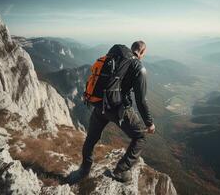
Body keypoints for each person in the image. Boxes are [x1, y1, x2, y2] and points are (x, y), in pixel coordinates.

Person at [66, 40, 155, 184]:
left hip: (99, 105)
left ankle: (84, 168)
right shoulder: (138, 67)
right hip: (117, 109)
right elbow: (141, 101)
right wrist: (149, 123)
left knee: (91, 138)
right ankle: (120, 170)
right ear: (142, 53)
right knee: (140, 137)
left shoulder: (115, 58)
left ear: (132, 48)